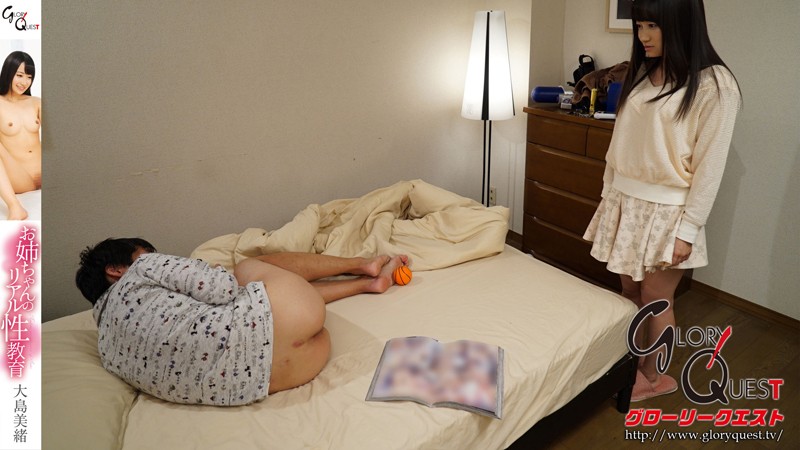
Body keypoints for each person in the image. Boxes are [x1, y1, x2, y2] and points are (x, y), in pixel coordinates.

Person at [582, 0, 741, 402]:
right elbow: (621, 141)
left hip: (668, 211)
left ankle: (652, 376)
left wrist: (688, 230)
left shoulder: (714, 85)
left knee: (656, 299)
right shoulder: (645, 72)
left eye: (653, 25)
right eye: (640, 25)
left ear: (682, 23)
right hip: (626, 200)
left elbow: (710, 167)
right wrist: (608, 195)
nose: (643, 36)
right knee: (629, 294)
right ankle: (628, 362)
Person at [75, 237, 408, 406]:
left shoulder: (107, 350)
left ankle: (368, 283)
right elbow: (223, 288)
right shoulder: (143, 269)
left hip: (281, 374)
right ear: (116, 270)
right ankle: (362, 265)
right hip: (296, 316)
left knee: (261, 298)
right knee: (246, 269)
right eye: (146, 254)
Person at [0, 51, 41, 220]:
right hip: (20, 179)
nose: (24, 82)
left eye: (29, 77)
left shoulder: (36, 102)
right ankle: (15, 207)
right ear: (8, 73)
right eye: (19, 75)